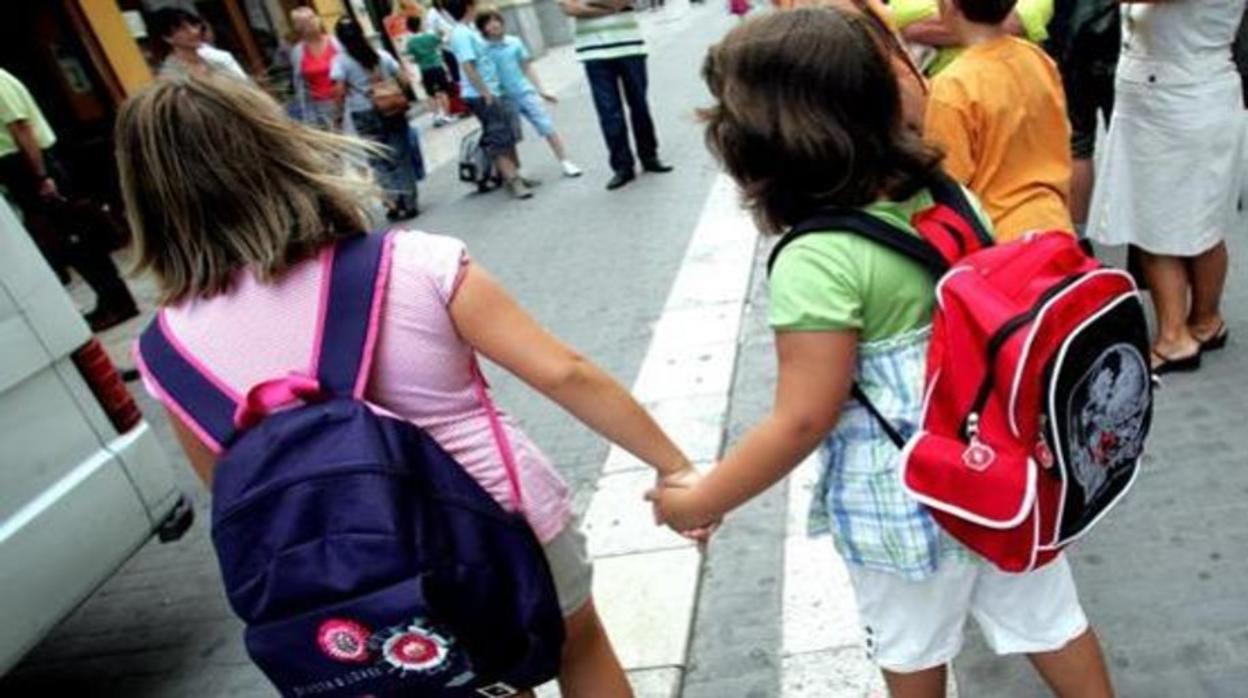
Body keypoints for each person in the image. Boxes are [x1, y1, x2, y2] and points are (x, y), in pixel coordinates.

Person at [115, 73, 702, 698]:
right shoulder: (413, 262)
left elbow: (235, 486)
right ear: (281, 147)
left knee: (481, 684)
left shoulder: (164, 351)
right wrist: (673, 467)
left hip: (363, 567)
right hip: (503, 516)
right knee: (579, 648)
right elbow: (564, 372)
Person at [648, 10, 1114, 698]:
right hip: (1002, 477)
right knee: (1051, 622)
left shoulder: (817, 258)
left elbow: (802, 418)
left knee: (912, 650)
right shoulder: (948, 195)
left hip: (904, 504)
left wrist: (703, 498)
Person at [1087, 0, 1246, 373]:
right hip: (1193, 90)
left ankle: (1174, 338)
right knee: (1204, 219)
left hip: (1172, 99)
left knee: (1154, 225)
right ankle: (1206, 320)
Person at [922, 0, 1073, 241]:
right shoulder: (1037, 58)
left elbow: (948, 186)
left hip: (995, 246)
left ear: (948, 6)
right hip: (1055, 226)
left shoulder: (953, 86)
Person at [0, 67, 137, 331]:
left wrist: (41, 176)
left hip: (30, 165)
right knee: (65, 241)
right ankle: (108, 298)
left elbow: (21, 128)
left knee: (77, 238)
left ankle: (118, 302)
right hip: (20, 169)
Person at [560, 0, 673, 190]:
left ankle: (649, 156)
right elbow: (569, 8)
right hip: (593, 53)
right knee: (608, 113)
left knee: (639, 105)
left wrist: (590, 6)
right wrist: (609, 7)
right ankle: (622, 167)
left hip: (629, 46)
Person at [332, 18, 421, 220]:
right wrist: (395, 94)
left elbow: (339, 92)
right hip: (391, 109)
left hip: (363, 113)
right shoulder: (381, 55)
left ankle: (394, 205)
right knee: (400, 156)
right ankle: (410, 203)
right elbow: (404, 80)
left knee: (378, 160)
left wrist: (337, 118)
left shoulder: (341, 61)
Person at [477, 10, 584, 178]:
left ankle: (565, 161)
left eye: (496, 20)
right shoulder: (482, 48)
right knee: (510, 136)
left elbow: (526, 66)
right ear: (483, 28)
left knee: (546, 125)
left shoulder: (514, 42)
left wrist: (541, 90)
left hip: (523, 91)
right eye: (489, 22)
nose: (494, 24)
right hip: (502, 97)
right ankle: (516, 172)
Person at [445, 0, 535, 200]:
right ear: (468, 6)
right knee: (498, 137)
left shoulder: (466, 30)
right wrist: (484, 91)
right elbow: (468, 65)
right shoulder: (461, 34)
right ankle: (513, 180)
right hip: (481, 94)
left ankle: (516, 174)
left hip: (492, 90)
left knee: (507, 134)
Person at [1044, 0, 1119, 231]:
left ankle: (1077, 234)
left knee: (1076, 145)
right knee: (1133, 145)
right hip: (1124, 40)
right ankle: (1144, 241)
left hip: (1070, 36)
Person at [890, 0, 1052, 76]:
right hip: (939, 87)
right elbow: (902, 16)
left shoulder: (1042, 65)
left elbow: (1025, 16)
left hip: (1015, 81)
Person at [148, 7, 249, 80]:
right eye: (183, 29)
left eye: (194, 25)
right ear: (167, 37)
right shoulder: (171, 76)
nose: (194, 31)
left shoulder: (214, 59)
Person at [289, 7, 341, 130]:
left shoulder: (335, 42)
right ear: (298, 27)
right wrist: (309, 120)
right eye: (304, 22)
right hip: (319, 109)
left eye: (312, 18)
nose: (311, 23)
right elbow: (300, 87)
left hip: (346, 102)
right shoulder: (297, 52)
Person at [405, 15, 454, 127]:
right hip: (437, 66)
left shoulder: (410, 42)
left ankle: (436, 116)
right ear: (419, 25)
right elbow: (442, 41)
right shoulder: (430, 37)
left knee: (430, 94)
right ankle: (446, 115)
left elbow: (411, 58)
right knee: (443, 92)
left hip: (424, 70)